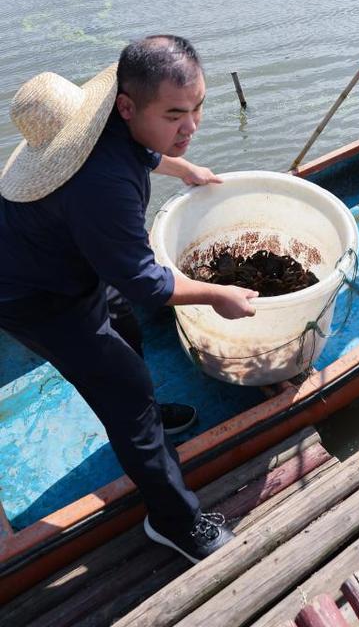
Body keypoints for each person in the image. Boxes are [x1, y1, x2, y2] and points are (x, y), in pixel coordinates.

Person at [0, 35, 258, 563]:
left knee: (126, 324)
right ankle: (175, 523)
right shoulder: (101, 187)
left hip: (71, 256)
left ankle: (153, 416)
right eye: (175, 115)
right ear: (127, 106)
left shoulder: (106, 127)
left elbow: (139, 151)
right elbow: (148, 283)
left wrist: (183, 167)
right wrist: (217, 294)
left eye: (198, 107)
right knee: (126, 391)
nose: (191, 127)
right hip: (32, 294)